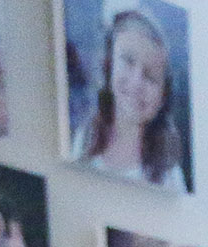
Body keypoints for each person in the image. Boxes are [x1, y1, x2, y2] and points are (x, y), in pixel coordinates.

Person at [73, 6, 189, 190]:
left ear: (162, 97)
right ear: (108, 65)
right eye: (127, 61)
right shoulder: (84, 140)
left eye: (150, 77)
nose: (137, 83)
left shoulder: (168, 175)